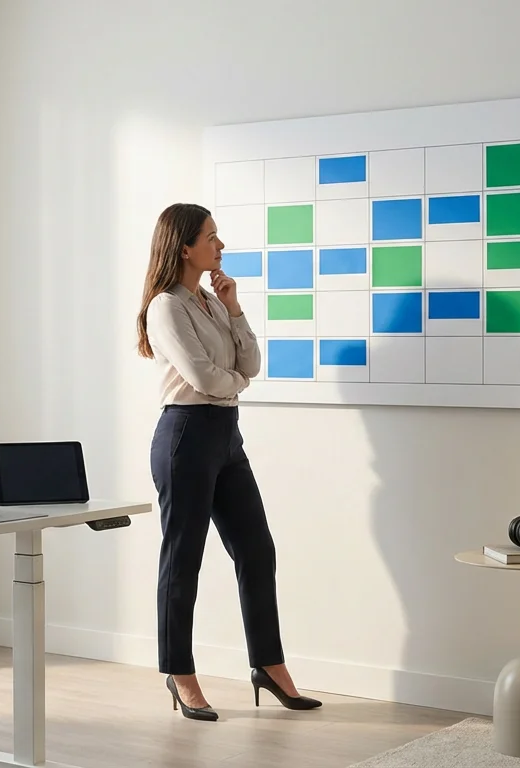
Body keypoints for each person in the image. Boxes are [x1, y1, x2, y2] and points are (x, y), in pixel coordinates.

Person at [135, 202, 321, 721]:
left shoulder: (212, 301)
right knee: (183, 560)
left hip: (226, 437)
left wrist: (234, 307)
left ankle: (268, 664)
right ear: (185, 246)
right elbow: (205, 377)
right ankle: (179, 672)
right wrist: (236, 384)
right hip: (186, 436)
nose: (221, 246)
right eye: (212, 237)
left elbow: (250, 361)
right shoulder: (166, 306)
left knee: (257, 551)